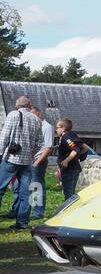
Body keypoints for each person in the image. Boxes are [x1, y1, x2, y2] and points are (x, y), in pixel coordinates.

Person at [0, 96, 44, 230]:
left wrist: (0, 153)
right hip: (26, 162)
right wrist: (31, 153)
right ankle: (22, 222)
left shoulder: (13, 115)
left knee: (0, 189)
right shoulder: (36, 119)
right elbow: (39, 143)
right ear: (29, 105)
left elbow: (4, 137)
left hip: (11, 159)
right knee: (26, 193)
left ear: (17, 105)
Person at [28, 102, 56, 220]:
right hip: (29, 160)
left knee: (37, 186)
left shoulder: (47, 127)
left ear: (39, 113)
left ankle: (38, 212)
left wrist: (37, 162)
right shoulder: (34, 126)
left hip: (38, 160)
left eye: (33, 114)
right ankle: (19, 210)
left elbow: (48, 148)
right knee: (25, 186)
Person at [56, 118, 84, 200]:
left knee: (68, 195)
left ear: (63, 128)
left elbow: (75, 149)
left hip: (69, 169)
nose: (56, 130)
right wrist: (77, 157)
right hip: (75, 168)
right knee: (72, 194)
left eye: (57, 127)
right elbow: (84, 147)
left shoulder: (66, 137)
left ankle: (69, 212)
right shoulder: (73, 135)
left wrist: (66, 161)